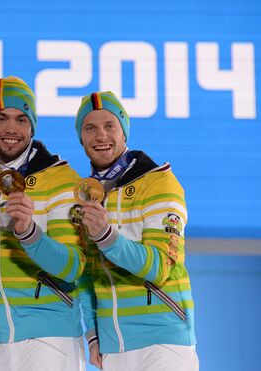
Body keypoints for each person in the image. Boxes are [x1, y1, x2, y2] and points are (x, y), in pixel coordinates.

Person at [0, 77, 87, 371]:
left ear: (32, 126)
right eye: (1, 118)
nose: (11, 129)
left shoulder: (62, 180)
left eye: (21, 118)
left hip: (52, 340)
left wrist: (30, 234)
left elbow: (73, 266)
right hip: (1, 342)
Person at [75, 91, 199, 371]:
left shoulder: (158, 183)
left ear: (124, 131)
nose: (100, 136)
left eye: (109, 126)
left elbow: (160, 266)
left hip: (163, 342)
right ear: (81, 138)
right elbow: (87, 276)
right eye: (90, 128)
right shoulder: (86, 196)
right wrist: (93, 334)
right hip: (113, 348)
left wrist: (106, 236)